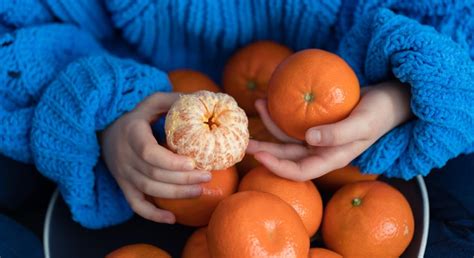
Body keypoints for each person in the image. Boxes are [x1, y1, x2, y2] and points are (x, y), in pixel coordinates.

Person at [0, 1, 472, 257]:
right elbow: (18, 33)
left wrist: (396, 96)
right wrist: (107, 114)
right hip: (139, 105)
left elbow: (457, 32)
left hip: (341, 115)